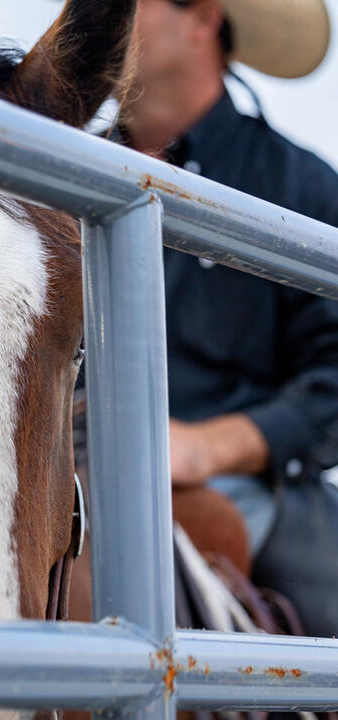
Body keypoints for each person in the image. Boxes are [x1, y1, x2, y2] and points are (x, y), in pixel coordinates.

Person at [116, 0, 338, 637]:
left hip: (245, 486)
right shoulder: (55, 171)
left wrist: (205, 448)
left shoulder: (297, 183)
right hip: (64, 470)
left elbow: (333, 382)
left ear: (204, 17)